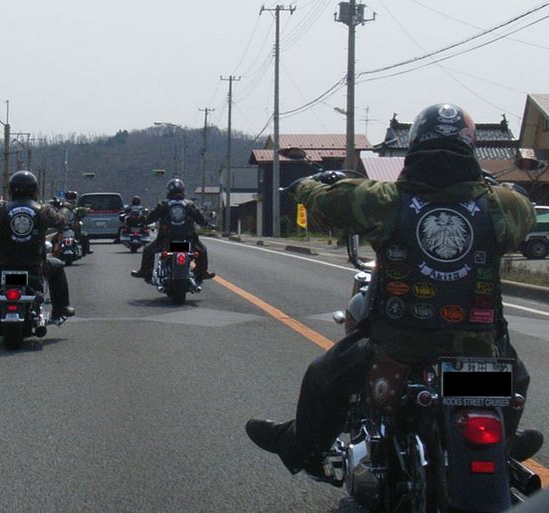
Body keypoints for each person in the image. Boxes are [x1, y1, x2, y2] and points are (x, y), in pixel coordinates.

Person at [245, 103, 543, 477]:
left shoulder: (385, 201)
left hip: (399, 344)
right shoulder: (505, 206)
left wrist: (305, 184)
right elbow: (525, 211)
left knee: (323, 376)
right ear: (470, 147)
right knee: (516, 377)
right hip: (478, 346)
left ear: (414, 146)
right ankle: (504, 447)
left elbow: (326, 203)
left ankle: (299, 447)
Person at [0, 171, 76, 324]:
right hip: (35, 265)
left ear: (12, 189)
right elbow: (61, 220)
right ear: (35, 189)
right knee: (57, 267)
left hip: (2, 264)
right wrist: (66, 207)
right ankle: (61, 308)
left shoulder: (2, 209)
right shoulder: (43, 210)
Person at [130, 178, 215, 282]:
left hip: (166, 239)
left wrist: (144, 221)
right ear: (183, 190)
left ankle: (144, 272)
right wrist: (207, 223)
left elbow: (151, 217)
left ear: (169, 191)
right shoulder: (189, 204)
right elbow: (200, 219)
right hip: (188, 238)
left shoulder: (164, 204)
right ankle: (203, 273)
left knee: (148, 250)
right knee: (202, 250)